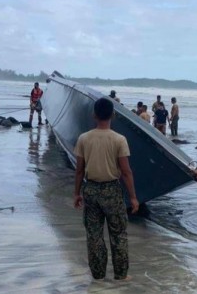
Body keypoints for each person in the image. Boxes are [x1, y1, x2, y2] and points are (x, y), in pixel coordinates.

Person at [73, 97, 139, 281]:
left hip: (91, 190)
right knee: (118, 234)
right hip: (112, 191)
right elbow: (126, 172)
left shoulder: (84, 138)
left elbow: (79, 170)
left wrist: (77, 193)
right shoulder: (119, 139)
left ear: (94, 115)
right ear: (113, 115)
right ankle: (121, 276)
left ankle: (98, 275)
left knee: (94, 235)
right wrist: (133, 198)